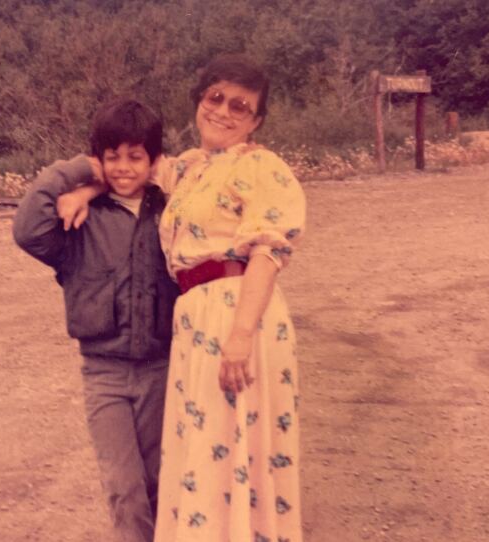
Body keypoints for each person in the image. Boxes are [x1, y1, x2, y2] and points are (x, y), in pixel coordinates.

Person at [58, 55, 306, 542]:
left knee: (238, 448)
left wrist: (240, 335)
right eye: (216, 98)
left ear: (255, 121)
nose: (224, 111)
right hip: (193, 322)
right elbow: (128, 168)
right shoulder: (189, 170)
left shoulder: (261, 166)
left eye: (241, 106)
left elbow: (267, 255)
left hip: (239, 315)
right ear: (199, 101)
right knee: (205, 453)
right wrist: (85, 191)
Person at [12, 97, 181, 542]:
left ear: (154, 160)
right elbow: (27, 229)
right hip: (104, 374)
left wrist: (99, 185)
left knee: (161, 482)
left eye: (136, 156)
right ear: (98, 160)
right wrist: (79, 175)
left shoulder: (173, 214)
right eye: (112, 157)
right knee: (124, 488)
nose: (124, 167)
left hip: (164, 370)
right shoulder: (77, 222)